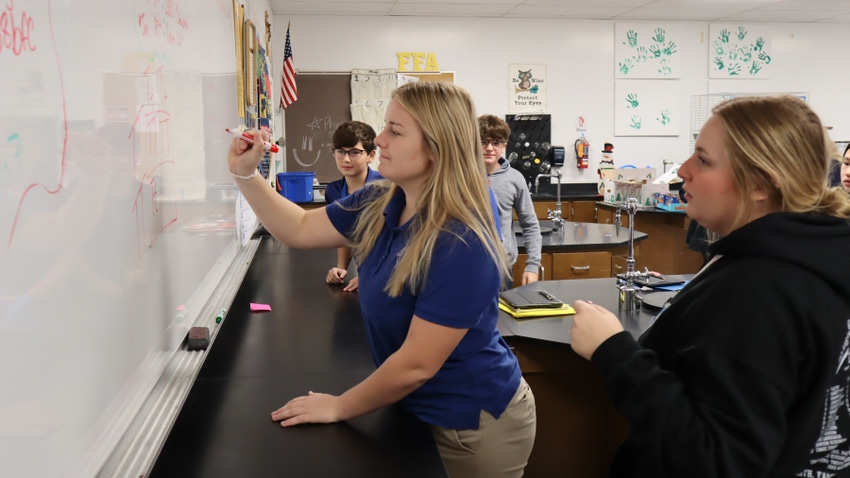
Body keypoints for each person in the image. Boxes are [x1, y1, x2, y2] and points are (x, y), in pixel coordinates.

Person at [228, 81, 536, 478]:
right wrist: (244, 174)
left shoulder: (463, 237)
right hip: (414, 405)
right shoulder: (383, 197)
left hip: (469, 424)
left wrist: (339, 406)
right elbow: (301, 228)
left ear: (436, 146)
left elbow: (416, 365)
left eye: (395, 130)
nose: (380, 139)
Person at [570, 95, 850, 477]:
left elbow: (716, 460)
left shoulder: (758, 290)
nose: (683, 170)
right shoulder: (818, 263)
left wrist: (615, 352)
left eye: (703, 160)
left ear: (760, 184)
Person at [478, 114, 542, 288]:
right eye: (483, 142)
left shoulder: (515, 179)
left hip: (502, 268)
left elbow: (530, 224)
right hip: (467, 266)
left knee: (501, 315)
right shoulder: (462, 177)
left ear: (504, 146)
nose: (489, 148)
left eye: (496, 143)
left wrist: (533, 265)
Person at [324, 120, 383, 292]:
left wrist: (372, 275)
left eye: (355, 152)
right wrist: (341, 268)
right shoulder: (333, 190)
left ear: (371, 156)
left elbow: (398, 243)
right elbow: (343, 230)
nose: (346, 159)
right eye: (340, 151)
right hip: (365, 276)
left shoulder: (385, 188)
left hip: (391, 278)